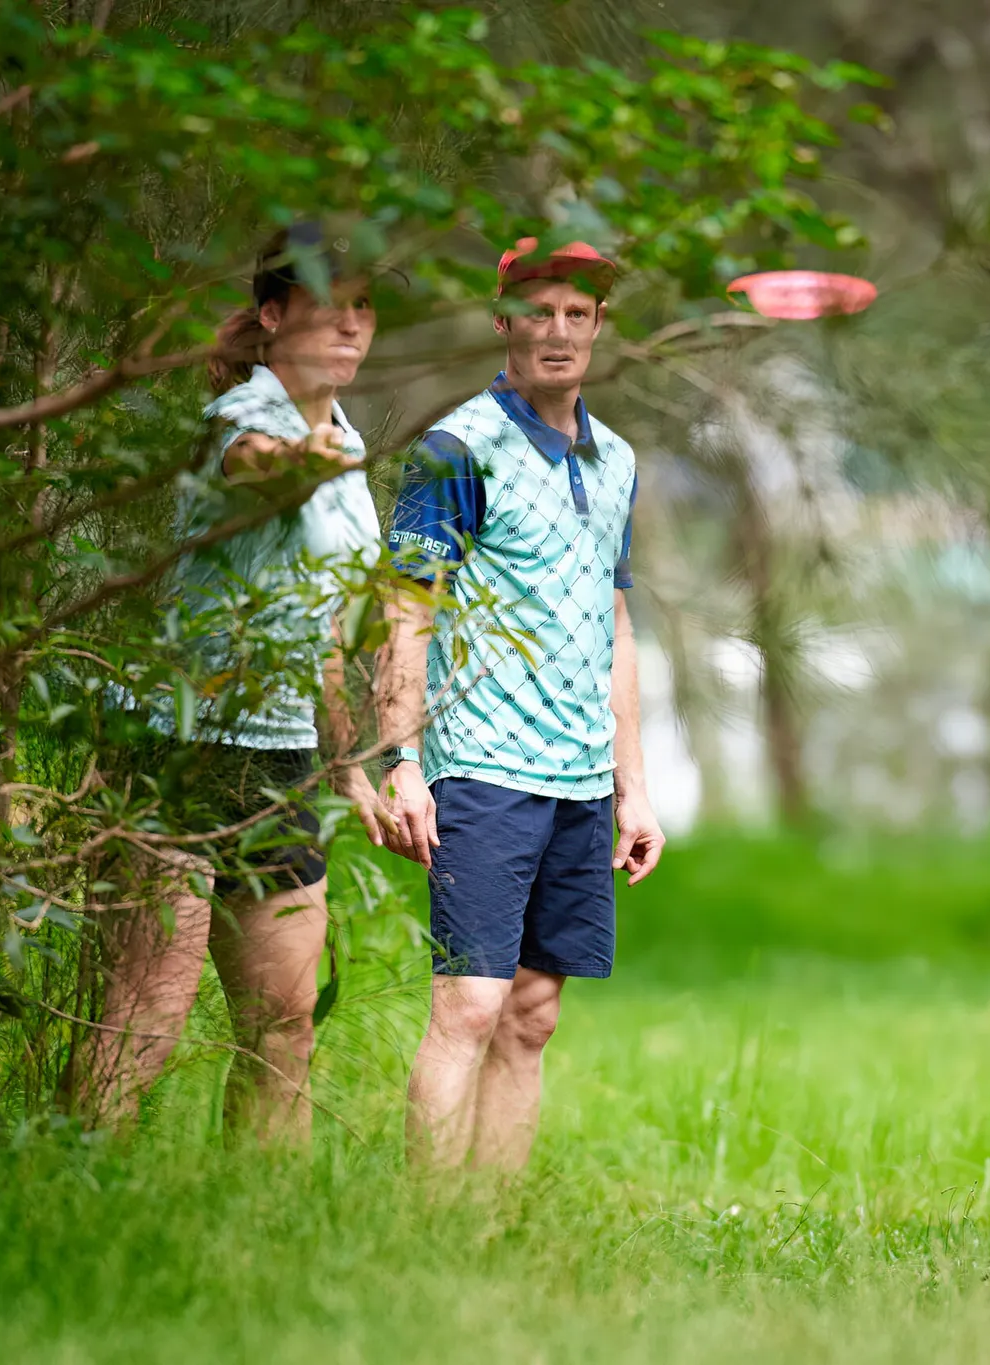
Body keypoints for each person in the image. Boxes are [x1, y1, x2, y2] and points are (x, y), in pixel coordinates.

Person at [78, 223, 388, 1138]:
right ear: (272, 313)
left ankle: (256, 1227)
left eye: (363, 304)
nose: (348, 321)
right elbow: (255, 471)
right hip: (178, 745)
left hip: (281, 756)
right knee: (146, 1012)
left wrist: (349, 768)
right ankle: (77, 1193)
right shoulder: (243, 418)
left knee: (285, 1023)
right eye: (326, 301)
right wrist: (302, 463)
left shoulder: (350, 444)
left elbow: (328, 626)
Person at [377, 238, 665, 1170]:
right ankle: (426, 1234)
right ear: (502, 321)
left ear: (598, 327)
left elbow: (613, 625)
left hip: (580, 778)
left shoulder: (615, 457)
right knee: (468, 1004)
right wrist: (403, 761)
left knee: (534, 1015)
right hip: (482, 768)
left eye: (577, 314)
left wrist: (635, 788)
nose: (558, 331)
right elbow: (404, 612)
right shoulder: (456, 449)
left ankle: (490, 1230)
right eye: (538, 312)